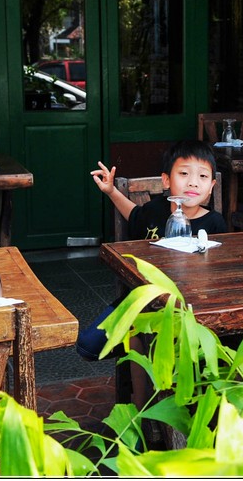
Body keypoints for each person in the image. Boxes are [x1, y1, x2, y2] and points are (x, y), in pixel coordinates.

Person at [76, 139, 227, 360]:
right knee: (88, 346)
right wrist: (111, 191)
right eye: (184, 174)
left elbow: (219, 274)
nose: (193, 183)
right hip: (142, 299)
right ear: (166, 180)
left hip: (188, 307)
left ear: (212, 185)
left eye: (202, 176)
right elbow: (134, 215)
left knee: (162, 341)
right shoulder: (155, 210)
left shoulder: (214, 224)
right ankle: (139, 352)